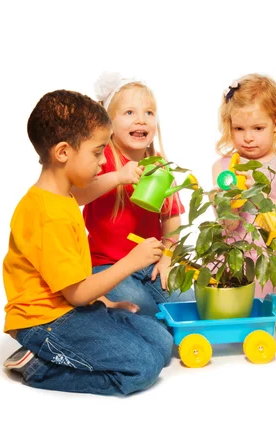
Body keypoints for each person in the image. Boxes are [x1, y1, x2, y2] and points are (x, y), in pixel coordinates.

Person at [2, 90, 173, 395]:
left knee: (161, 340)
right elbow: (78, 293)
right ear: (64, 152)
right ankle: (39, 366)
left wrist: (107, 304)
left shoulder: (63, 197)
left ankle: (76, 347)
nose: (103, 160)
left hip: (70, 309)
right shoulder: (47, 214)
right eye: (97, 153)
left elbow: (75, 281)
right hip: (45, 322)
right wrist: (131, 262)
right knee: (145, 366)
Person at [73, 73, 194, 317]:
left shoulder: (158, 164)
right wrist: (118, 177)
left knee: (190, 303)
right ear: (109, 123)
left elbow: (171, 218)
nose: (141, 120)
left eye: (149, 113)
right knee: (142, 309)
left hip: (151, 263)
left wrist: (168, 257)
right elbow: (76, 196)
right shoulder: (102, 159)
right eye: (129, 113)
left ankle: (168, 330)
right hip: (109, 266)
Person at [211, 74, 276, 309]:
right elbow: (228, 226)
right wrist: (225, 201)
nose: (248, 137)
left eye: (258, 128)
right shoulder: (222, 167)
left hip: (270, 260)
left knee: (270, 315)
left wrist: (258, 193)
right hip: (233, 259)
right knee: (230, 311)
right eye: (239, 128)